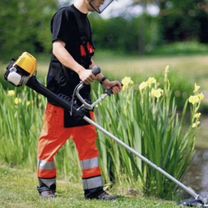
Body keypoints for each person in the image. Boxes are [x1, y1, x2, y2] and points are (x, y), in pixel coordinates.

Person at [37, 0, 122, 200]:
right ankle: (46, 187)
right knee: (51, 140)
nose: (103, 1)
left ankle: (94, 190)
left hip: (82, 94)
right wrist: (80, 70)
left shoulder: (86, 20)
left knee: (88, 142)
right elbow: (58, 49)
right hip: (61, 93)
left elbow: (87, 58)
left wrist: (104, 81)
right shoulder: (64, 14)